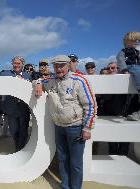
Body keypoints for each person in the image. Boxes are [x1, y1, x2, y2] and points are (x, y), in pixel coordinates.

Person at [35, 55, 97, 189]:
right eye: (56, 66)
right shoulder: (51, 80)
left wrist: (87, 128)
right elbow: (38, 79)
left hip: (76, 128)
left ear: (68, 65)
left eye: (61, 65)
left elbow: (91, 105)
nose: (58, 68)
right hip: (59, 127)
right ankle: (65, 186)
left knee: (75, 163)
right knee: (62, 160)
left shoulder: (79, 80)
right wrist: (39, 84)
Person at [0, 56, 31, 151]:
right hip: (11, 108)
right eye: (15, 63)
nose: (16, 65)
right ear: (12, 64)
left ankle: (20, 149)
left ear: (22, 64)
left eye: (19, 63)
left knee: (23, 130)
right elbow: (1, 77)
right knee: (13, 130)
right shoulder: (6, 74)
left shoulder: (27, 75)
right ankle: (17, 146)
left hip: (23, 107)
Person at [117, 31, 140, 121]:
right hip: (130, 66)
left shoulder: (138, 52)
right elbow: (120, 60)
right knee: (137, 71)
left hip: (137, 66)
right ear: (127, 41)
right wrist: (124, 70)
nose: (137, 42)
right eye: (134, 40)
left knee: (139, 70)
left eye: (138, 40)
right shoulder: (124, 51)